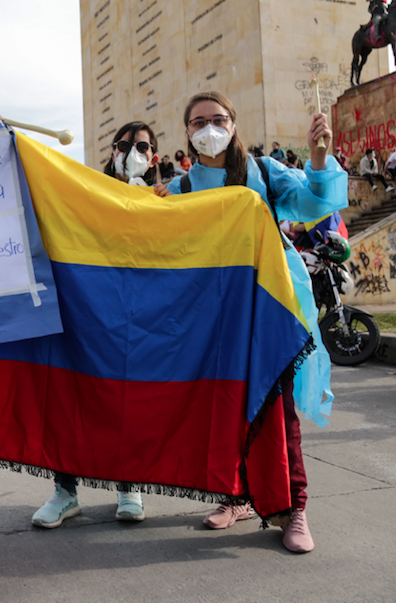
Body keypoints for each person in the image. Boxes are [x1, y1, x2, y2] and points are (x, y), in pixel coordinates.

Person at [154, 91, 348, 554]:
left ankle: (293, 507)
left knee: (277, 409)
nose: (208, 128)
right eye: (198, 122)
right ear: (186, 132)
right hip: (213, 315)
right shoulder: (179, 190)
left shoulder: (263, 172)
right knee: (221, 407)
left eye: (217, 119)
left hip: (269, 308)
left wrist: (319, 159)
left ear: (234, 124)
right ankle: (236, 496)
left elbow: (314, 203)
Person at [32, 121, 160, 531]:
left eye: (142, 146)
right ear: (111, 153)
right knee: (72, 397)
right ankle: (65, 492)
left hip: (139, 319)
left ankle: (129, 486)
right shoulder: (87, 193)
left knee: (130, 401)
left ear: (154, 156)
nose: (132, 151)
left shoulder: (170, 199)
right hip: (87, 312)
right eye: (124, 145)